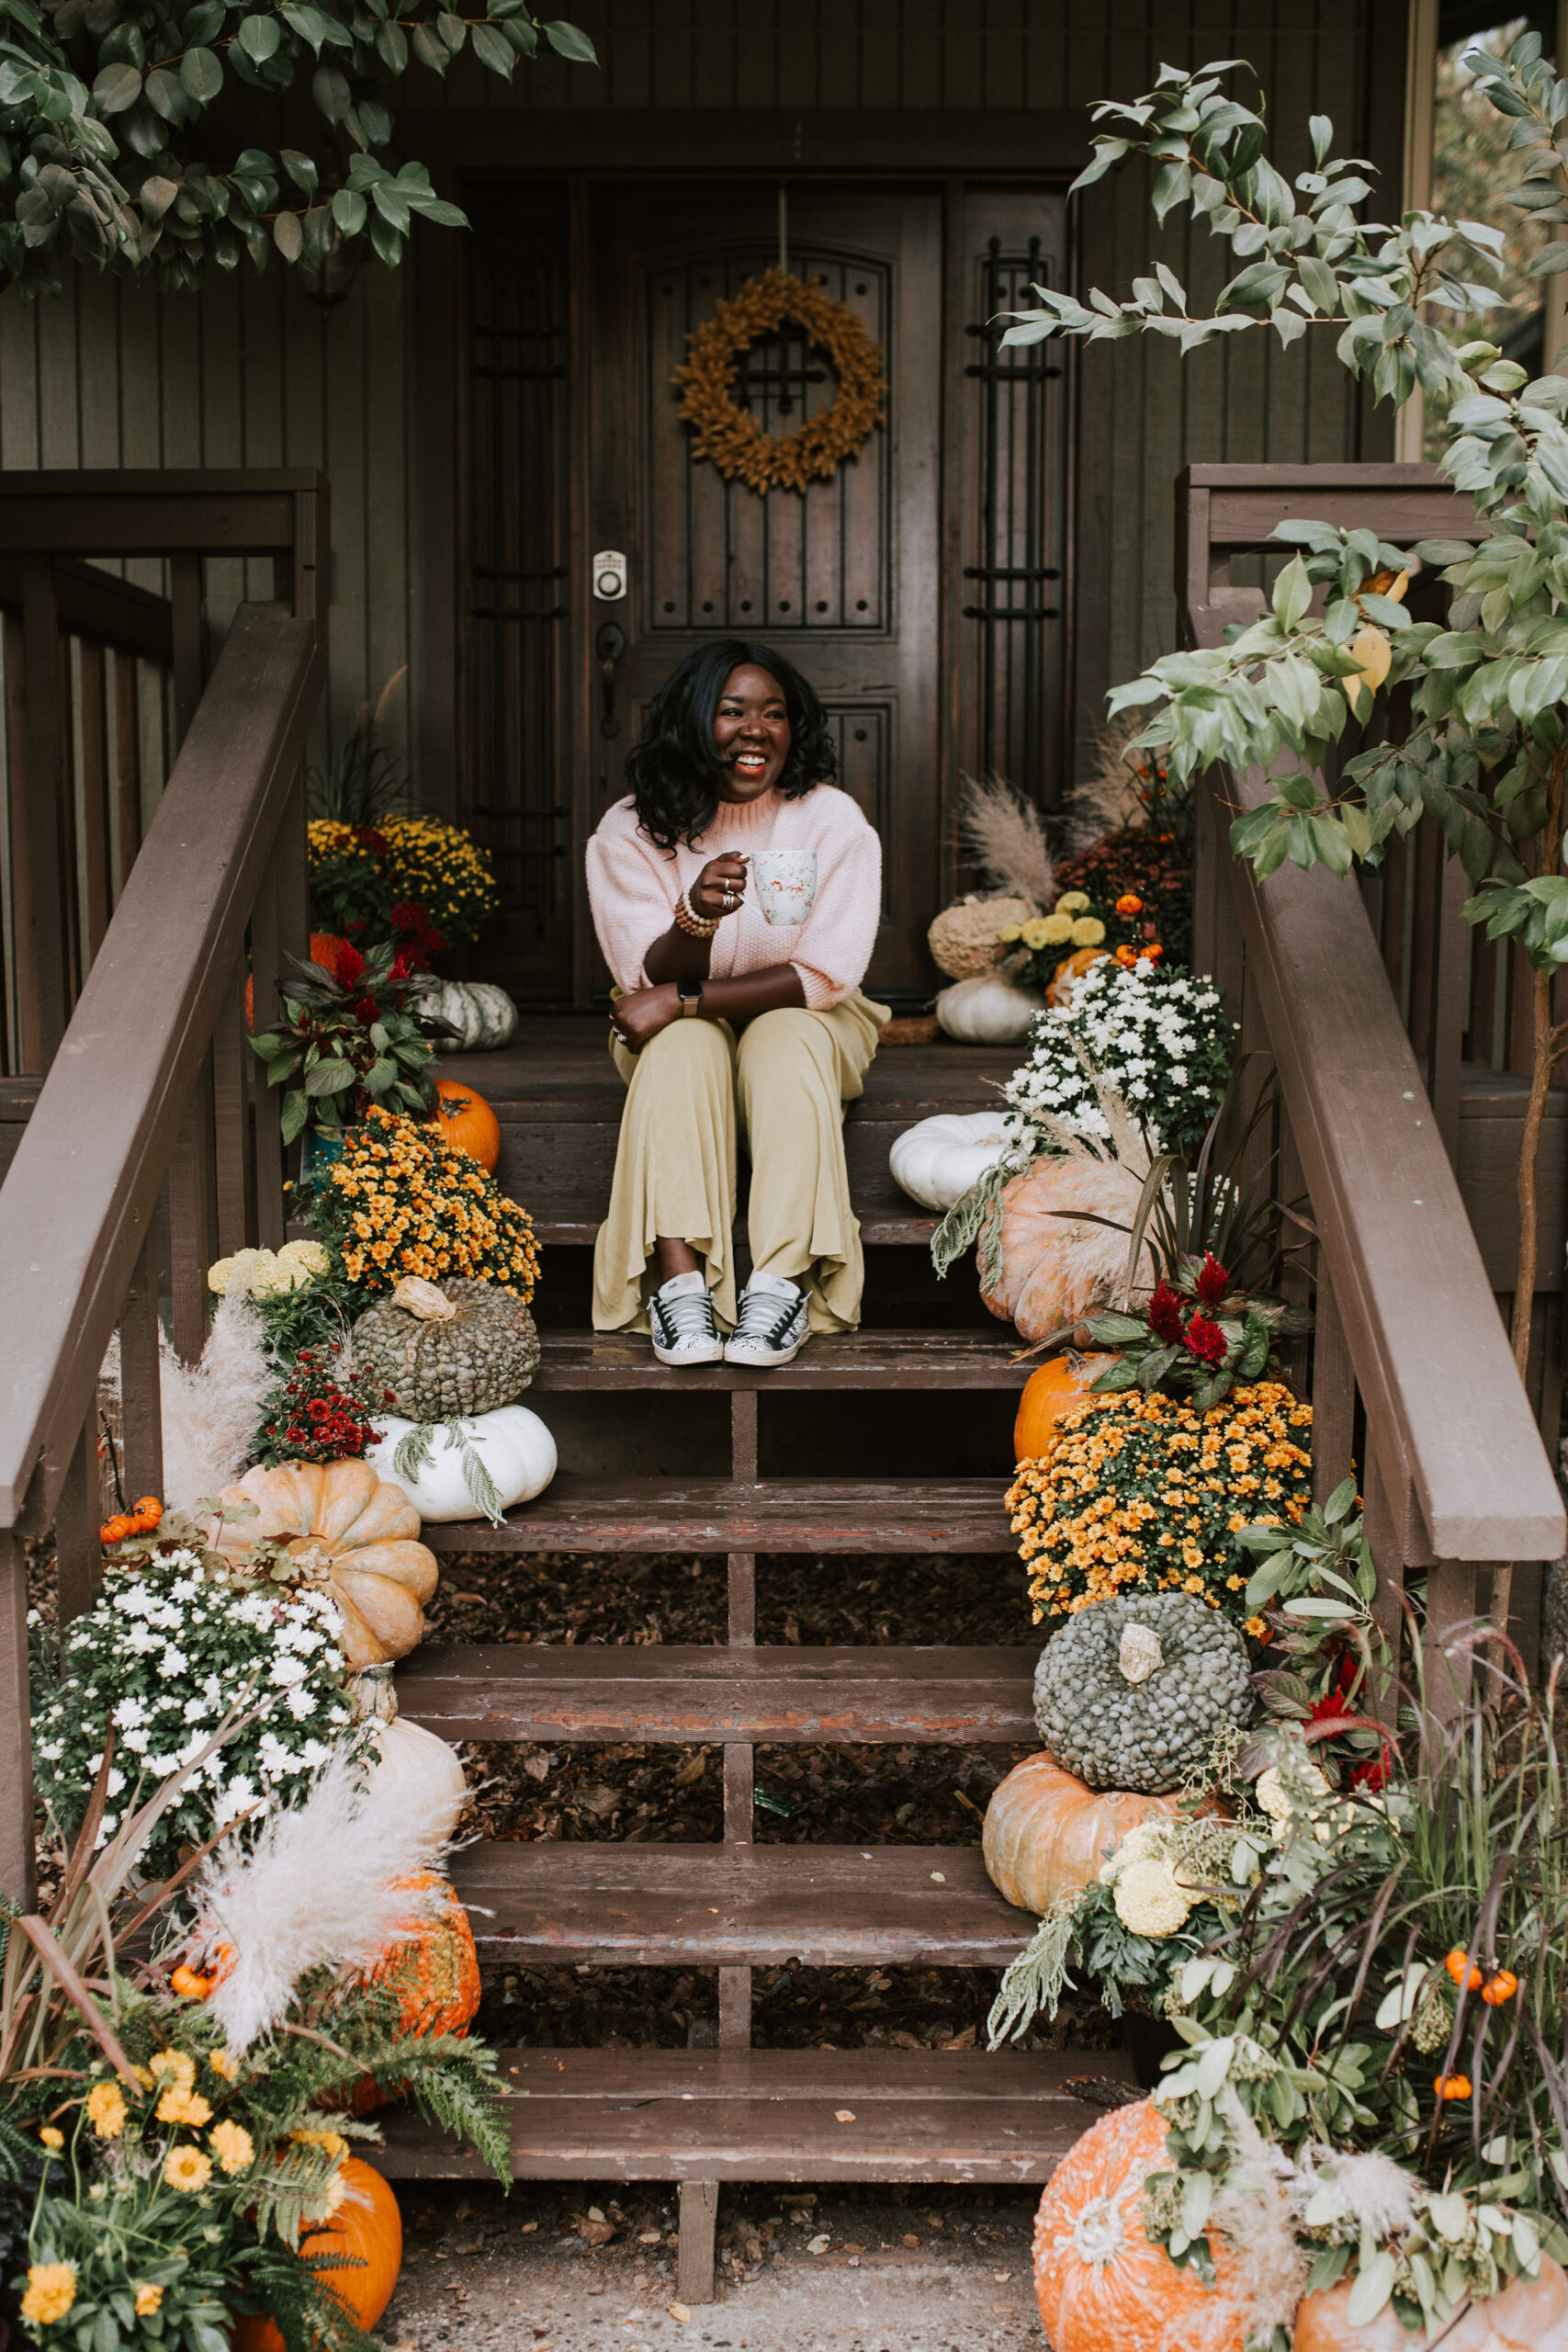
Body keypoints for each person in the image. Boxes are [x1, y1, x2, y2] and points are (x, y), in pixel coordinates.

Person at [585, 639, 888, 1368]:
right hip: (666, 1023)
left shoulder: (829, 820)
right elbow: (640, 975)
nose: (757, 730)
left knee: (781, 1037)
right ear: (692, 721)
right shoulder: (629, 829)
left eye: (774, 714)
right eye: (732, 711)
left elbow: (823, 974)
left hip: (814, 1018)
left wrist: (686, 997)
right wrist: (694, 917)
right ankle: (680, 1287)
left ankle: (778, 1287)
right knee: (684, 1046)